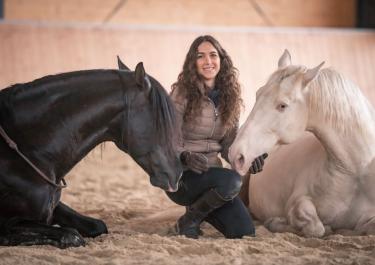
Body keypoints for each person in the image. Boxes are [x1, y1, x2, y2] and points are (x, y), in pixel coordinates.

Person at [167, 35, 267, 239]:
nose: (208, 61)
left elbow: (229, 143)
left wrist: (249, 158)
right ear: (192, 62)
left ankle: (196, 212)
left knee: (243, 231)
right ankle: (190, 220)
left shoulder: (230, 97)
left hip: (214, 181)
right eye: (200, 56)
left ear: (222, 60)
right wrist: (184, 156)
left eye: (213, 55)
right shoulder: (181, 93)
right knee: (233, 180)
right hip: (181, 177)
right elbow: (166, 137)